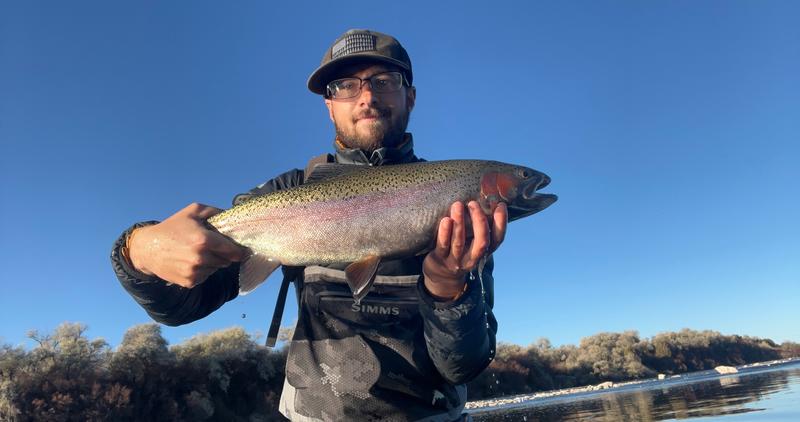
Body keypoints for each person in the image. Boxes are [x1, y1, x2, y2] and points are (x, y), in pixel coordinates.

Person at [111, 29, 507, 421]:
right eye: (346, 85)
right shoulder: (287, 192)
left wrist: (448, 289)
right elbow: (182, 306)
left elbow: (464, 365)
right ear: (329, 106)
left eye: (385, 82)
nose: (367, 96)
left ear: (411, 97)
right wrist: (138, 250)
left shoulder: (456, 207)